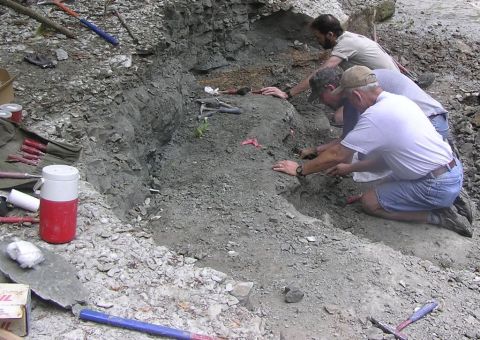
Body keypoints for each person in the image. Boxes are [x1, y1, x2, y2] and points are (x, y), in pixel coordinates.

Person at [272, 66, 473, 237]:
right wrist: (350, 168)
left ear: (357, 96)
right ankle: (450, 196)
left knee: (369, 202)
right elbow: (385, 161)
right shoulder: (398, 101)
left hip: (434, 182)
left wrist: (300, 169)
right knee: (382, 184)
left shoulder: (375, 116)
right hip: (451, 171)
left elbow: (337, 153)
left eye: (350, 100)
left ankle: (440, 216)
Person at [261, 14, 400, 101]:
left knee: (339, 117)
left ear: (330, 34)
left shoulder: (346, 44)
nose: (317, 41)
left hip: (391, 92)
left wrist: (288, 94)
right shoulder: (348, 38)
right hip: (389, 81)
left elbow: (321, 72)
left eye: (318, 37)